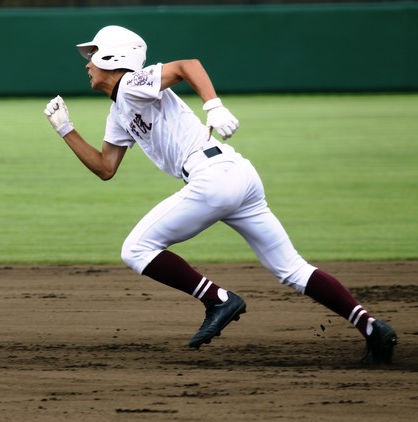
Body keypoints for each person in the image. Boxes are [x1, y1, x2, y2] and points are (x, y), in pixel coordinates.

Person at [43, 25, 397, 364]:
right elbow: (106, 167)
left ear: (112, 58)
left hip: (212, 176)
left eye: (92, 55)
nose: (87, 63)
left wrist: (213, 105)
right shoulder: (118, 111)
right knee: (292, 269)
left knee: (136, 249)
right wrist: (66, 130)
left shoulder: (133, 83)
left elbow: (186, 66)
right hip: (236, 175)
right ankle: (371, 326)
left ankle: (218, 299)